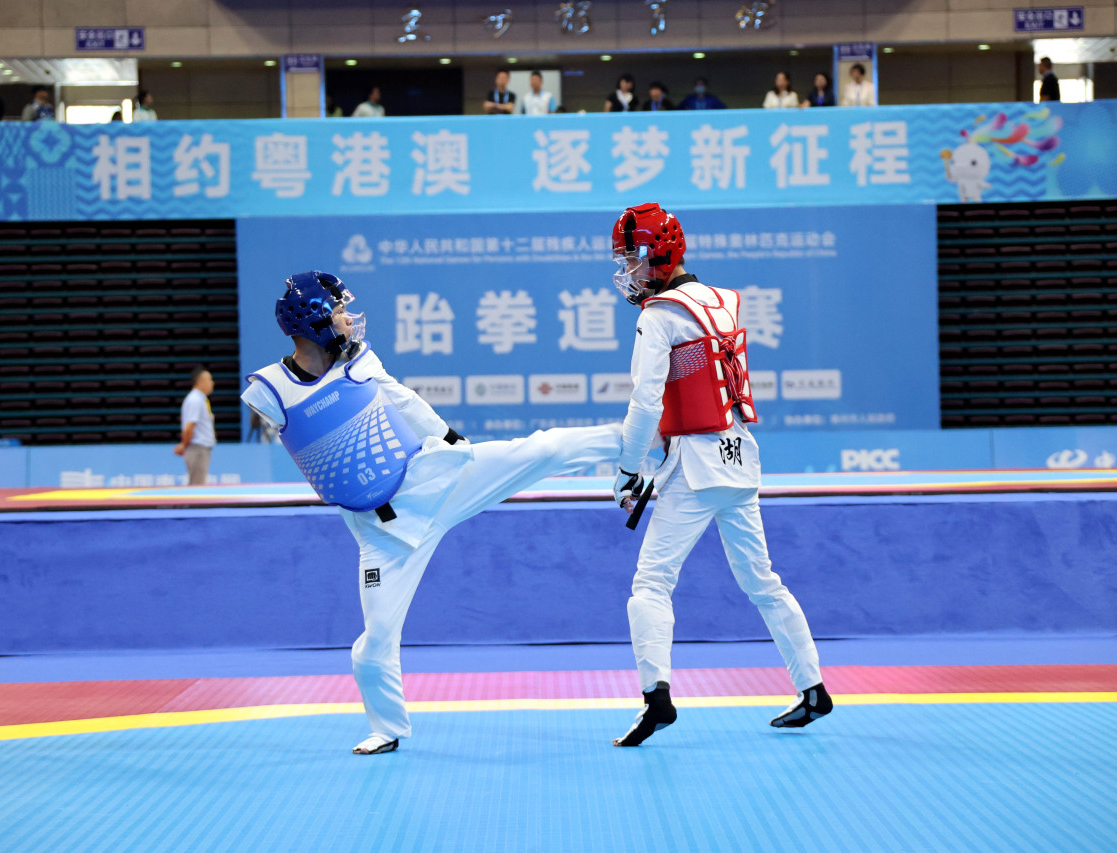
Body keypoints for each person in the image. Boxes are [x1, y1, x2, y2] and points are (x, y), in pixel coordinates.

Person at [241, 271, 621, 755]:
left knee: (538, 451)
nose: (348, 318)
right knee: (375, 640)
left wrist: (452, 441)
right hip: (380, 532)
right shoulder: (269, 390)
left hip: (432, 481)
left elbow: (403, 399)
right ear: (312, 318)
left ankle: (634, 437)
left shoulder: (359, 361)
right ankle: (387, 729)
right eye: (338, 310)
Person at [607, 203, 830, 747]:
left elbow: (646, 402)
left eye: (633, 258)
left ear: (658, 255)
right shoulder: (724, 302)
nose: (628, 271)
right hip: (740, 458)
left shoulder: (660, 314)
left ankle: (656, 699)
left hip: (695, 467)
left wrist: (628, 468)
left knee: (651, 583)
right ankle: (813, 688)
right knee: (763, 581)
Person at [174, 366, 216, 485]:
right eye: (209, 380)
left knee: (197, 485)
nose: (212, 383)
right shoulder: (195, 400)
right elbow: (189, 426)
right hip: (197, 449)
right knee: (197, 488)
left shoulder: (200, 399)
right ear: (200, 381)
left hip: (200, 449)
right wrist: (184, 445)